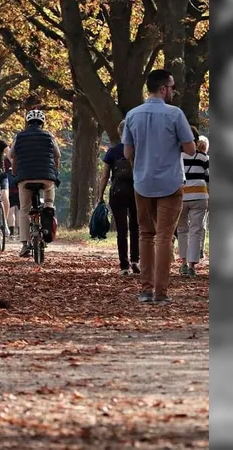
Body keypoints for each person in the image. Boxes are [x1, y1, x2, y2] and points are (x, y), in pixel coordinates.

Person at [123, 68, 196, 303]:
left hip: (142, 182)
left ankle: (145, 290)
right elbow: (191, 149)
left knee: (145, 234)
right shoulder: (175, 115)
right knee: (164, 237)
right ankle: (161, 293)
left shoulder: (132, 115)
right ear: (163, 89)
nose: (173, 91)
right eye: (172, 87)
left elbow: (127, 152)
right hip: (171, 182)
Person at [10, 109, 60, 257]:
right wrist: (54, 172)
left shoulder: (19, 137)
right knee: (49, 201)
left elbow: (12, 155)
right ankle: (47, 222)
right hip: (46, 177)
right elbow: (57, 155)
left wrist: (15, 173)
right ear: (42, 123)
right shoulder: (49, 136)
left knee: (24, 209)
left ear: (27, 122)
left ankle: (25, 244)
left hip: (25, 178)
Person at [97, 120, 140, 275]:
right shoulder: (137, 150)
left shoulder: (112, 152)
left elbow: (104, 176)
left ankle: (124, 266)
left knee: (122, 230)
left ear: (120, 132)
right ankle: (135, 260)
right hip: (136, 191)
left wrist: (100, 196)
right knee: (136, 227)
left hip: (117, 192)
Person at [176, 131, 209, 277]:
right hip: (199, 196)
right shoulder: (203, 157)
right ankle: (192, 266)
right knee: (196, 230)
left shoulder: (178, 157)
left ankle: (183, 263)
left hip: (181, 196)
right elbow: (208, 179)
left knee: (182, 230)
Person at [3, 157, 20, 238]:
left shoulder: (6, 161)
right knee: (21, 211)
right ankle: (21, 232)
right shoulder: (20, 159)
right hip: (20, 188)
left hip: (9, 189)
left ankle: (12, 233)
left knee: (11, 211)